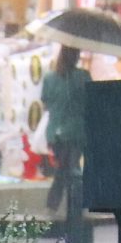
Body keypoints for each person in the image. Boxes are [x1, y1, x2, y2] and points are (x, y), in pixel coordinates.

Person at [41, 45, 92, 214]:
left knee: (65, 169)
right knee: (70, 170)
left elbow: (46, 103)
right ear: (76, 57)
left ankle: (56, 206)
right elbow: (90, 101)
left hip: (55, 132)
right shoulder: (83, 77)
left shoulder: (49, 78)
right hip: (76, 131)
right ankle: (73, 206)